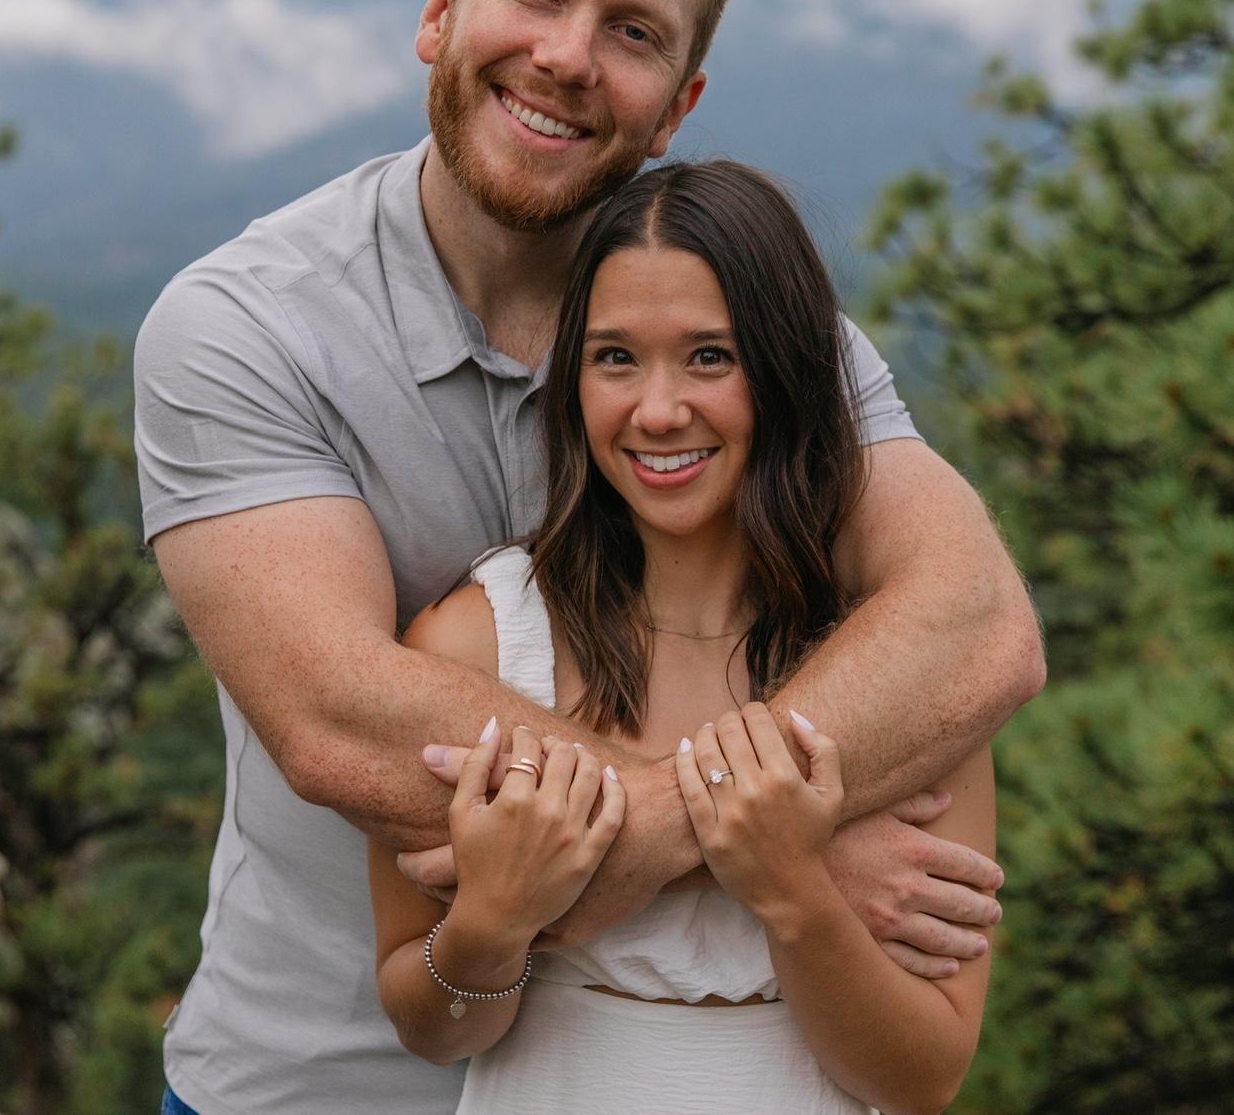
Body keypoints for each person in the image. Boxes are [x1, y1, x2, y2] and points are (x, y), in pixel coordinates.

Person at [134, 0, 1041, 1115]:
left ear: (676, 104)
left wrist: (754, 851)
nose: (566, 55)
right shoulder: (244, 328)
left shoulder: (757, 330)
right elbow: (341, 722)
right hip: (318, 1081)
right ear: (441, 11)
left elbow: (977, 624)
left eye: (632, 31)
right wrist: (762, 845)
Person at [367, 161, 994, 1113]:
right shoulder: (478, 647)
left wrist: (792, 889)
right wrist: (491, 925)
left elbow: (924, 1078)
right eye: (615, 358)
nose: (658, 412)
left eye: (710, 357)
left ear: (785, 370)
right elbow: (427, 1028)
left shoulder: (896, 672)